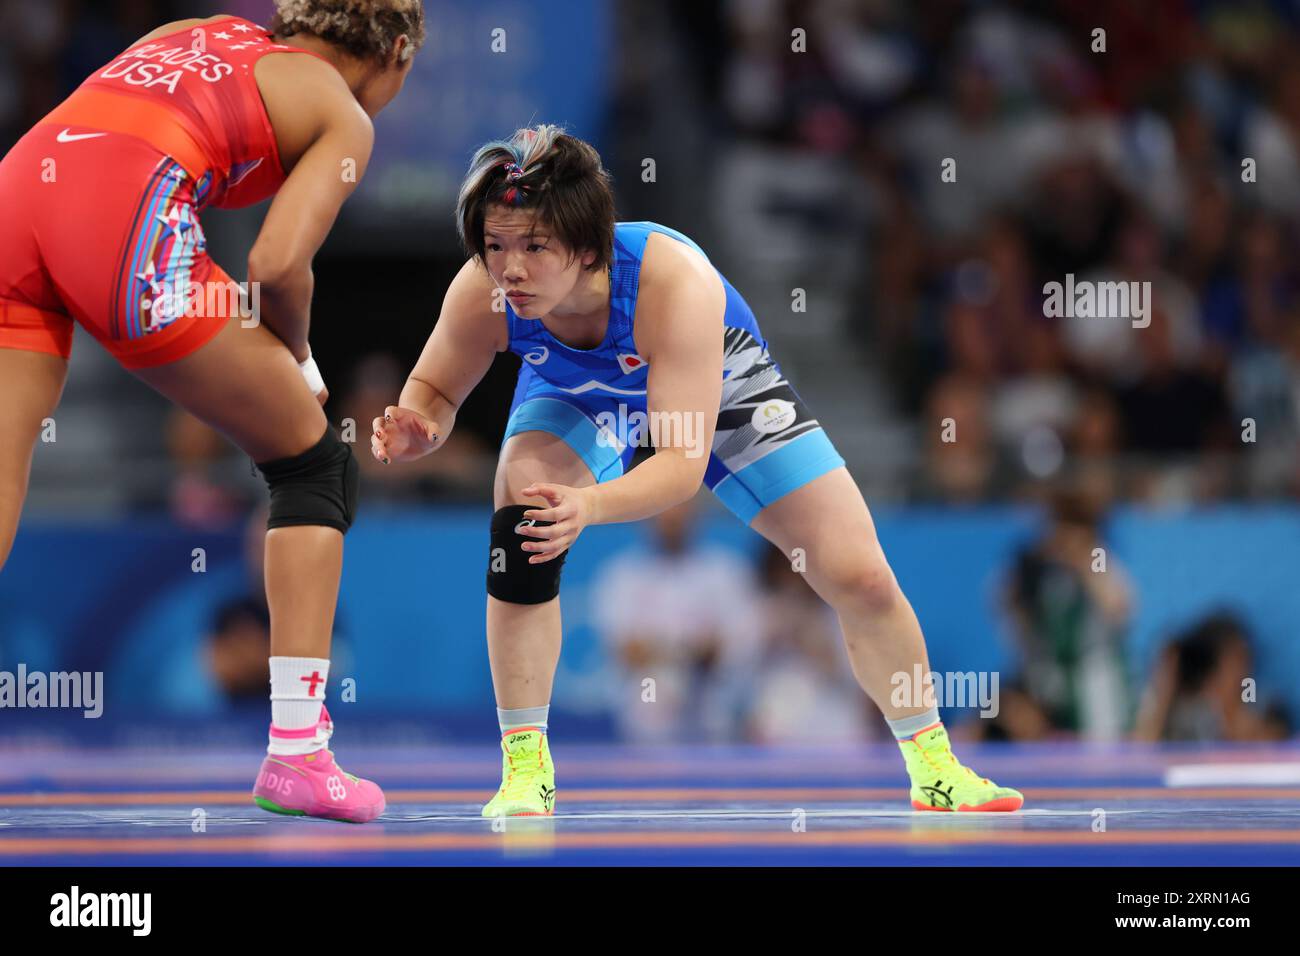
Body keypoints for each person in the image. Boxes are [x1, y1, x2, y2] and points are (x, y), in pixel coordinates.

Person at [373, 125, 1023, 815]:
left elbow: (682, 467)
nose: (511, 269)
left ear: (589, 246)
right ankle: (525, 768)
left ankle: (934, 766)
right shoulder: (484, 290)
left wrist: (589, 507)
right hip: (577, 393)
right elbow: (434, 392)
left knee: (857, 572)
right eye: (496, 245)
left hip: (724, 387)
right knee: (522, 512)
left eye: (534, 247)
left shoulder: (672, 280)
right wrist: (421, 428)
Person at [0, 1, 426, 823]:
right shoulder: (343, 114)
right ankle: (299, 753)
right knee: (313, 463)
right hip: (120, 214)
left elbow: (103, 122)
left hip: (17, 193)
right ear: (397, 52)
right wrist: (297, 357)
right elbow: (275, 263)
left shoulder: (195, 30)